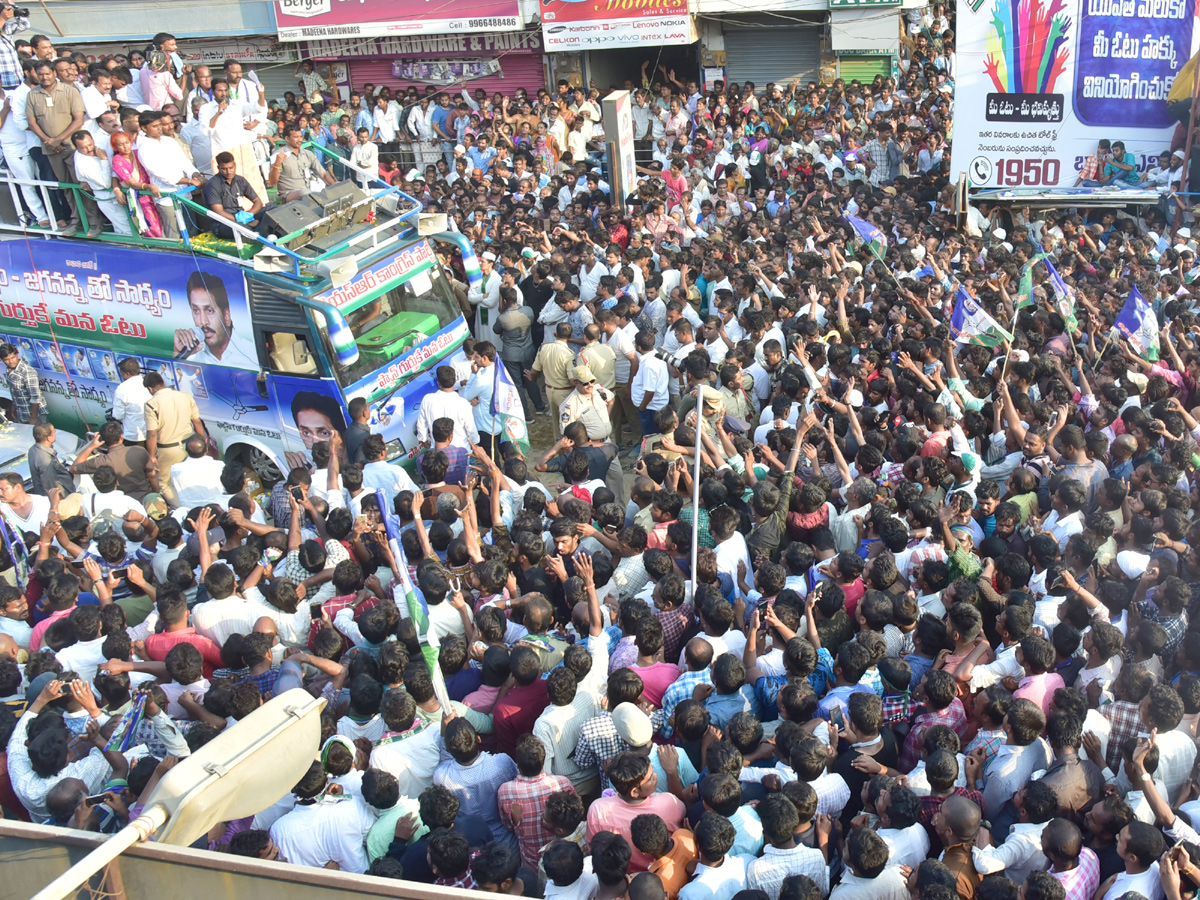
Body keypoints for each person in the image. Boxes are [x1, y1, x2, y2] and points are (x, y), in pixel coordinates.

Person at [143, 369, 204, 505]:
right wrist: (203, 441)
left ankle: (183, 509)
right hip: (190, 445)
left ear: (150, 389)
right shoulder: (185, 396)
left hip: (168, 450)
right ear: (164, 382)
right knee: (189, 477)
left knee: (165, 483)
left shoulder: (151, 404)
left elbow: (152, 433)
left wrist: (151, 456)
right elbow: (197, 422)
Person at [174, 270, 257, 368]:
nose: (203, 321)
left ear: (226, 316)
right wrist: (177, 354)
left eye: (209, 311)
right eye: (196, 310)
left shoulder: (253, 355)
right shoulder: (192, 356)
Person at [202, 149, 262, 237]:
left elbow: (258, 201)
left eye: (231, 168)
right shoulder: (212, 185)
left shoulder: (240, 180)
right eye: (224, 169)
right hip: (223, 223)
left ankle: (253, 226)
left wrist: (250, 214)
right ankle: (252, 227)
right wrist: (237, 220)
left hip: (242, 216)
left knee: (270, 209)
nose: (229, 172)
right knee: (240, 227)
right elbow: (219, 212)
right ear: (218, 168)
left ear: (235, 165)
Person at [268, 123, 334, 202]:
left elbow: (323, 174)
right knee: (306, 193)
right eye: (296, 137)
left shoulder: (307, 154)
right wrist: (277, 163)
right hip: (289, 194)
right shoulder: (278, 155)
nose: (299, 140)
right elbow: (272, 182)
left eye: (300, 136)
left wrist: (335, 187)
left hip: (308, 191)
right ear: (287, 138)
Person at [1, 341, 45, 423]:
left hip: (35, 414)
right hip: (21, 412)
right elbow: (15, 392)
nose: (11, 361)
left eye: (13, 357)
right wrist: (14, 407)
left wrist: (33, 418)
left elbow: (35, 397)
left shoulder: (27, 371)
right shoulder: (9, 371)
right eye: (7, 359)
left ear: (17, 355)